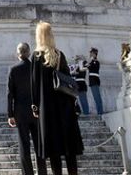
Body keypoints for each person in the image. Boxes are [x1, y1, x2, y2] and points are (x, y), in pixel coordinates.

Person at [31, 21, 82, 175]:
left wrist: (35, 105)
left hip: (47, 107)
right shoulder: (59, 55)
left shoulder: (36, 56)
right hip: (64, 106)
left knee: (54, 150)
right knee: (69, 148)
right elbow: (67, 78)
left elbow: (34, 83)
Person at [7, 43, 42, 175]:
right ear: (28, 53)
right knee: (39, 144)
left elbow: (10, 94)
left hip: (20, 112)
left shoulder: (13, 69)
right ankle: (42, 171)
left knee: (24, 145)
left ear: (18, 53)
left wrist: (10, 114)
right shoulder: (35, 68)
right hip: (36, 110)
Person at [86, 49, 104, 115]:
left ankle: (100, 112)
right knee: (96, 97)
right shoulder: (91, 62)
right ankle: (99, 111)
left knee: (97, 97)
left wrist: (91, 61)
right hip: (92, 81)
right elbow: (86, 66)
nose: (90, 54)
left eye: (91, 53)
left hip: (95, 81)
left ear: (94, 54)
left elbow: (92, 68)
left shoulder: (96, 62)